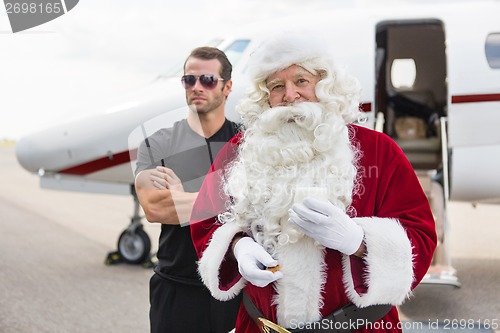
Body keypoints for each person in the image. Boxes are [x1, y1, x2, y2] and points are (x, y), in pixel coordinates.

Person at [189, 33, 437, 333]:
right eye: (277, 86)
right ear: (266, 96)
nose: (290, 95)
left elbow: (420, 237)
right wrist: (237, 247)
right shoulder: (240, 150)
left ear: (324, 85)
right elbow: (205, 217)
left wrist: (358, 242)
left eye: (301, 81)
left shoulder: (378, 151)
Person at [134, 46, 242, 333]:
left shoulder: (248, 143)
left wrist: (183, 198)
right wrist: (237, 201)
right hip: (176, 288)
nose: (197, 87)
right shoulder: (157, 144)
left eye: (207, 80)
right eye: (189, 80)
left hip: (235, 290)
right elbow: (156, 208)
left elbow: (267, 205)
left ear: (227, 86)